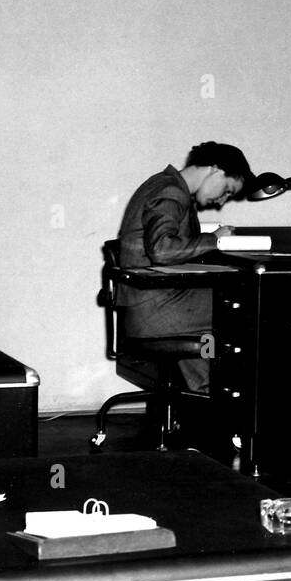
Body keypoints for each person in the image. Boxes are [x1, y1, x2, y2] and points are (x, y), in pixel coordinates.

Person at [117, 142, 255, 393]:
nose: (222, 201)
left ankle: (204, 396)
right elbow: (161, 249)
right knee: (247, 311)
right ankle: (219, 397)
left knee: (219, 323)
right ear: (215, 169)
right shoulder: (171, 191)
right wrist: (215, 240)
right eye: (226, 190)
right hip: (156, 310)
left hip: (151, 305)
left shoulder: (165, 184)